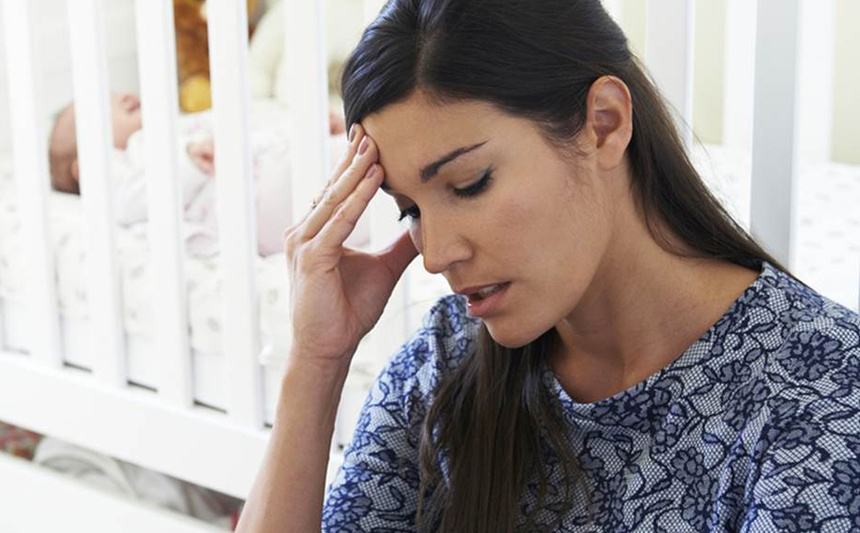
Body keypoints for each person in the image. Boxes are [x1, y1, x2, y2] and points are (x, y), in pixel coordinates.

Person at [237, 0, 860, 531]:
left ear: (604, 124)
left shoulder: (819, 390)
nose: (435, 256)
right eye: (410, 211)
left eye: (469, 182)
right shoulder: (444, 364)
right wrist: (314, 367)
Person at [47, 92, 352, 255]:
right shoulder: (122, 166)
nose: (119, 97)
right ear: (84, 169)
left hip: (270, 168)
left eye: (112, 94)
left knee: (348, 160)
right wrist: (189, 164)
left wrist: (302, 131)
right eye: (101, 107)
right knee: (346, 171)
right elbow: (132, 202)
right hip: (256, 205)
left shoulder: (174, 127)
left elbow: (249, 136)